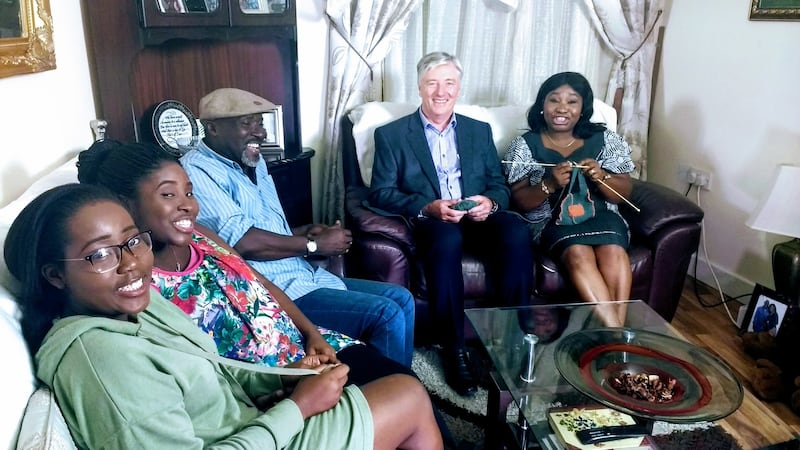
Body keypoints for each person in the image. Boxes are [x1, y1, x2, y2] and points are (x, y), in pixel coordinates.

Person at [3, 183, 443, 449]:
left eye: (133, 241)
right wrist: (298, 407)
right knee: (406, 395)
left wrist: (287, 379)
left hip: (252, 423)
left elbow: (214, 367)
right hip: (255, 436)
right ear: (54, 276)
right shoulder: (103, 359)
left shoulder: (135, 306)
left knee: (395, 383)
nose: (132, 264)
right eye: (100, 255)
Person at [181, 88, 415, 367]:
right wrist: (313, 245)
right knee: (386, 314)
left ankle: (399, 379)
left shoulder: (252, 161)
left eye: (260, 123)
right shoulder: (196, 170)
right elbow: (243, 243)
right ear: (212, 128)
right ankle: (390, 387)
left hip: (304, 275)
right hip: (274, 293)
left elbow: (262, 227)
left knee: (402, 298)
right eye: (247, 124)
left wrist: (305, 232)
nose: (260, 133)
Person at [368, 51, 534, 396]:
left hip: (477, 217)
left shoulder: (478, 130)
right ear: (419, 87)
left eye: (449, 83)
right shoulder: (392, 135)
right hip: (434, 221)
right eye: (432, 83)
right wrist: (427, 207)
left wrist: (490, 202)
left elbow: (498, 185)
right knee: (446, 240)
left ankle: (509, 342)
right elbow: (380, 193)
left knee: (516, 231)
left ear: (459, 87)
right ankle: (454, 348)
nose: (441, 92)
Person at [503, 71, 635, 327]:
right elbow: (518, 201)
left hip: (602, 216)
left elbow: (624, 194)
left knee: (614, 252)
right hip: (553, 222)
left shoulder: (606, 139)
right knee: (578, 253)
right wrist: (549, 184)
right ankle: (617, 337)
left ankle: (613, 334)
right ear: (542, 105)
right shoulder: (524, 145)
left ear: (583, 108)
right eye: (554, 100)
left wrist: (602, 177)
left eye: (572, 101)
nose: (562, 108)